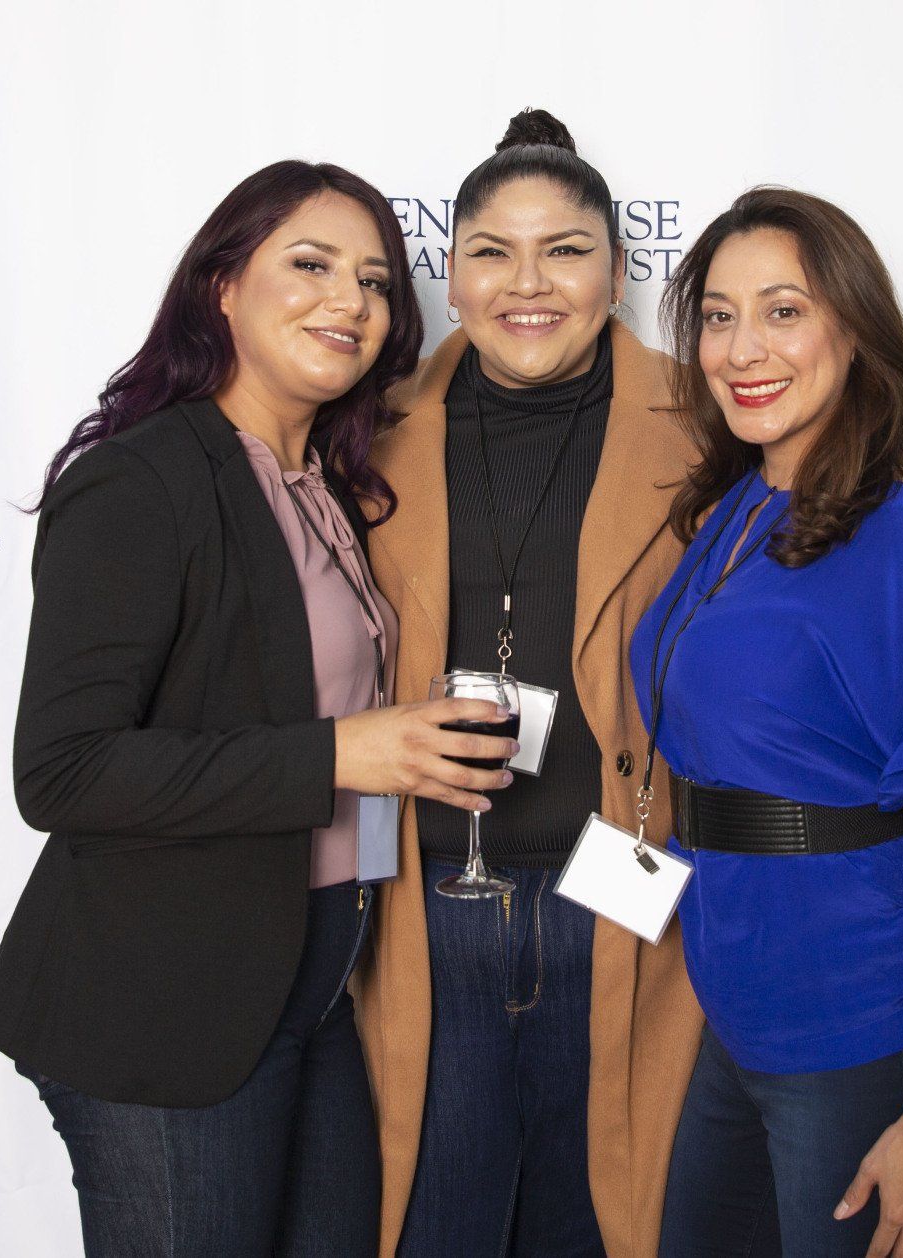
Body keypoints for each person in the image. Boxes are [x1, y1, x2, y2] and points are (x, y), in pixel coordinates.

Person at [0, 160, 518, 1258]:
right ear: (221, 286)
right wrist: (338, 755)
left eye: (374, 282)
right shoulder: (143, 480)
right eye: (310, 265)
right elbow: (65, 771)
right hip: (169, 1004)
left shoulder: (325, 482)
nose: (349, 301)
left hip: (312, 984)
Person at [637, 187, 903, 1258]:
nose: (742, 349)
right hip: (734, 1010)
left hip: (863, 1020)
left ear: (853, 331)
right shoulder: (735, 509)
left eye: (783, 311)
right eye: (719, 317)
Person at [353, 109, 704, 1258]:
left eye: (565, 250)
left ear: (618, 270)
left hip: (623, 897)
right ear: (450, 275)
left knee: (602, 1222)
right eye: (493, 253)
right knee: (431, 1221)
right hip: (422, 902)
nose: (528, 283)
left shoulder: (711, 426)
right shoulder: (364, 429)